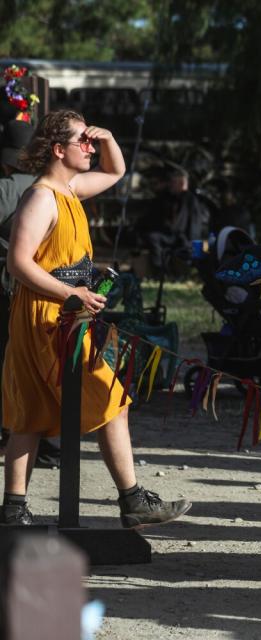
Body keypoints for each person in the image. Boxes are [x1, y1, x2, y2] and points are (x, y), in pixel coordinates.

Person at [1, 110, 191, 527]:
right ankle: (133, 500)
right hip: (46, 318)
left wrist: (106, 137)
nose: (89, 147)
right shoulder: (42, 196)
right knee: (108, 399)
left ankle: (13, 510)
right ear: (57, 150)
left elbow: (117, 170)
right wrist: (74, 293)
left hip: (64, 313)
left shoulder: (69, 190)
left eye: (90, 141)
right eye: (82, 141)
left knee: (31, 411)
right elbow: (18, 262)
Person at [0, 118, 61, 468]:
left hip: (11, 285)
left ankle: (18, 434)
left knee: (15, 364)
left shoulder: (9, 188)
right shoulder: (51, 188)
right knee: (44, 366)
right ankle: (50, 444)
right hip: (44, 285)